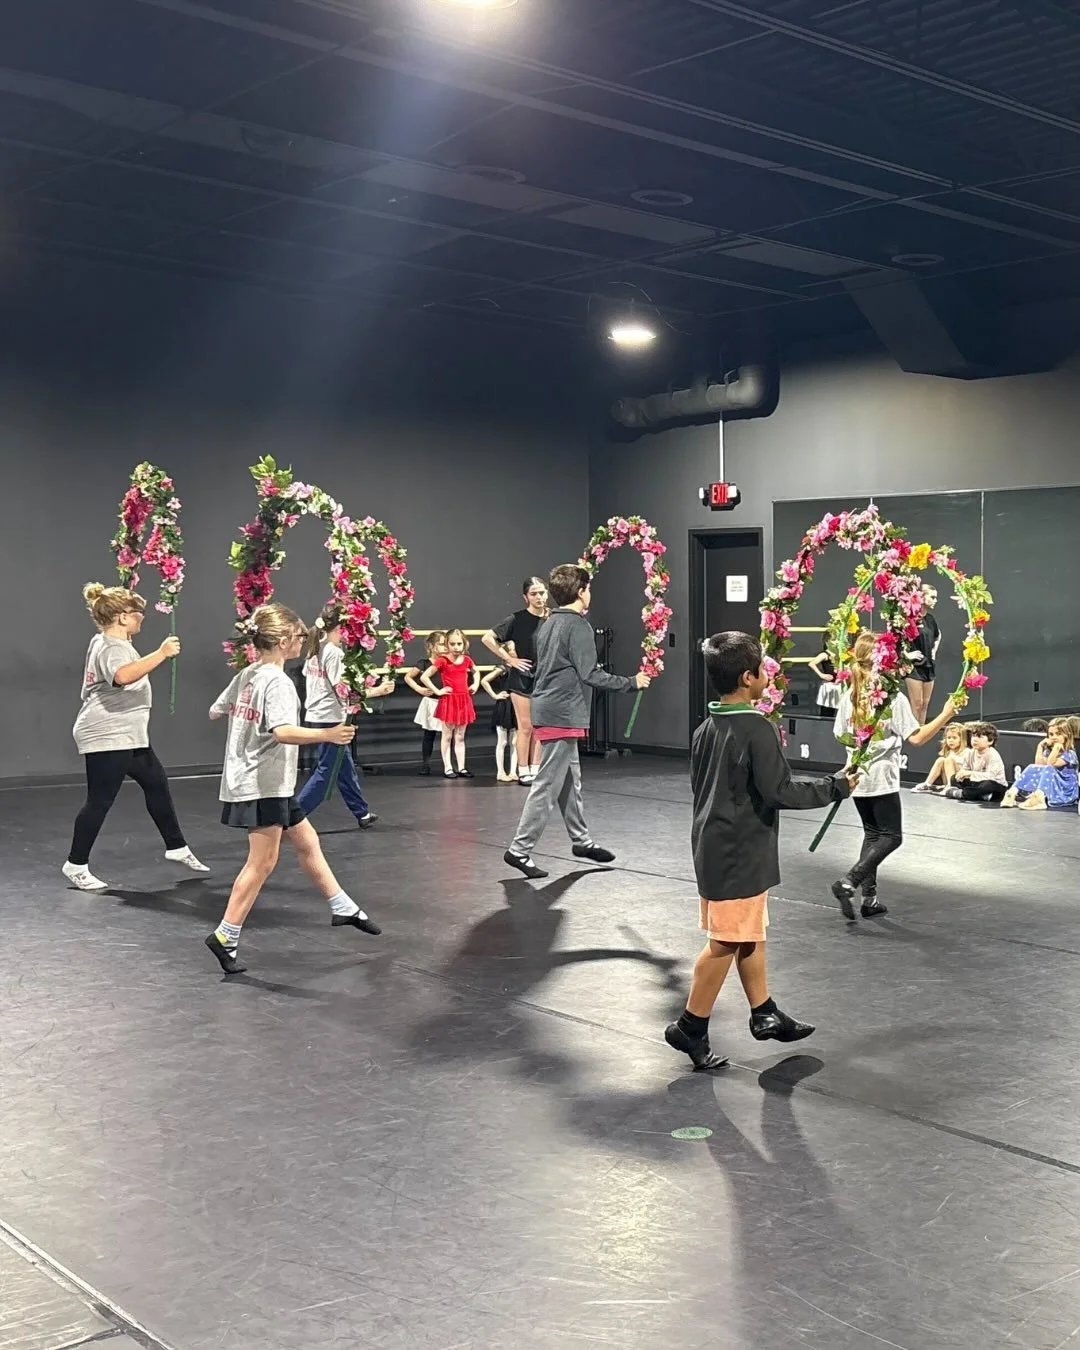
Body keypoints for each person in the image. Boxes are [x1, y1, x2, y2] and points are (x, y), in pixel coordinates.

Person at [665, 632, 857, 1070]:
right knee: (725, 942)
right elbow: (780, 790)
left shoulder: (705, 728)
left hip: (716, 842)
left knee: (748, 932)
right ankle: (690, 1026)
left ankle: (764, 1010)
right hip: (739, 849)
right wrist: (836, 786)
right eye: (763, 670)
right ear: (749, 677)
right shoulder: (757, 728)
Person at [205, 603, 380, 976]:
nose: (304, 641)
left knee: (307, 842)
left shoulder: (249, 674)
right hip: (262, 783)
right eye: (300, 636)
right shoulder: (278, 682)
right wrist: (328, 734)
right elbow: (282, 731)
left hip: (266, 780)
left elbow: (215, 710)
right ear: (284, 640)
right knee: (262, 862)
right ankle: (226, 934)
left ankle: (342, 906)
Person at [503, 563, 649, 879]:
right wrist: (631, 682)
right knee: (546, 786)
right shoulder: (578, 626)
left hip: (549, 708)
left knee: (570, 779)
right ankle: (519, 849)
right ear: (581, 591)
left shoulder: (548, 623)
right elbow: (591, 674)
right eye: (588, 588)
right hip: (561, 712)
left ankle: (581, 841)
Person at [65, 582, 207, 892]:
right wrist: (162, 653)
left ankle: (176, 846)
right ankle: (75, 864)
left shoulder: (112, 642)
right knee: (100, 801)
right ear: (121, 617)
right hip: (107, 735)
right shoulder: (111, 647)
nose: (142, 617)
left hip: (128, 736)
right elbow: (122, 676)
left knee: (156, 783)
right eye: (137, 613)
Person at [832, 630, 957, 920]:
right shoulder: (889, 698)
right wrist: (946, 714)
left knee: (873, 834)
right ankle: (850, 880)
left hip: (857, 775)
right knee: (892, 836)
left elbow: (840, 734)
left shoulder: (850, 695)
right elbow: (917, 737)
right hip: (881, 776)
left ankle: (870, 898)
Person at [294, 600, 395, 825]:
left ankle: (362, 812)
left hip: (318, 715)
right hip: (330, 719)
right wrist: (378, 690)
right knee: (326, 773)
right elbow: (343, 690)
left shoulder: (315, 647)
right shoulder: (334, 653)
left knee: (344, 768)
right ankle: (292, 817)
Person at [483, 578, 549, 785]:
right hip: (521, 678)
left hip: (544, 677)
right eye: (534, 594)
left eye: (542, 593)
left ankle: (536, 767)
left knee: (540, 725)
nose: (539, 597)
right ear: (525, 597)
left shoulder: (553, 618)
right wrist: (510, 659)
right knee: (525, 726)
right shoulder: (517, 619)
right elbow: (488, 638)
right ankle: (523, 769)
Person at [423, 628, 479, 778]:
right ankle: (448, 767)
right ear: (447, 644)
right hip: (449, 700)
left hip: (463, 699)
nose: (456, 647)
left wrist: (475, 684)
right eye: (452, 644)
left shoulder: (467, 660)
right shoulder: (443, 660)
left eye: (459, 644)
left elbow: (476, 671)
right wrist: (438, 691)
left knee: (460, 736)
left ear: (464, 644)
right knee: (447, 736)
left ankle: (461, 767)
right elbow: (425, 677)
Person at [1001, 718, 1078, 810]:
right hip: (1053, 784)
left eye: (1058, 734)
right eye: (1051, 734)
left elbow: (1050, 764)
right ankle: (1012, 792)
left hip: (1064, 789)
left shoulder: (1069, 754)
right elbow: (1038, 764)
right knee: (1032, 767)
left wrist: (1056, 749)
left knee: (1049, 768)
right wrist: (1040, 747)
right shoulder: (1050, 751)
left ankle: (1039, 798)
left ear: (1067, 735)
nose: (1054, 737)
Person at [402, 631, 447, 776]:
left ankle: (450, 764)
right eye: (441, 644)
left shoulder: (448, 662)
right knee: (429, 734)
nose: (445, 647)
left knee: (449, 735)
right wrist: (419, 689)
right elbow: (408, 677)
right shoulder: (424, 663)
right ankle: (425, 764)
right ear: (432, 646)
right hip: (432, 702)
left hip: (446, 701)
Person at [944, 722, 1008, 803]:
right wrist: (961, 775)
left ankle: (965, 794)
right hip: (976, 782)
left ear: (990, 741)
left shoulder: (993, 755)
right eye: (973, 736)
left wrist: (970, 773)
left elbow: (991, 776)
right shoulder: (970, 753)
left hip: (995, 784)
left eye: (980, 737)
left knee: (987, 785)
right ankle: (980, 796)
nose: (975, 739)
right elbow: (965, 769)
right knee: (954, 778)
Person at [905, 584, 941, 724]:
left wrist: (933, 652)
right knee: (917, 704)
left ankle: (921, 729)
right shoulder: (909, 618)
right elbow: (894, 639)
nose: (935, 600)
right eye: (932, 597)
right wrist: (907, 655)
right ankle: (914, 733)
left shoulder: (930, 619)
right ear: (922, 596)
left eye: (935, 597)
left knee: (925, 705)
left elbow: (938, 636)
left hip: (928, 664)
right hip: (914, 666)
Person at [481, 662, 518, 782]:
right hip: (504, 705)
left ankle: (513, 771)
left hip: (516, 705)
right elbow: (484, 681)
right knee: (502, 741)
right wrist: (495, 695)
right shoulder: (503, 668)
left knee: (515, 742)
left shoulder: (520, 668)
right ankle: (500, 772)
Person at [913, 722, 968, 793]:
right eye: (949, 738)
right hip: (948, 779)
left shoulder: (967, 752)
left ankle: (951, 786)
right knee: (941, 759)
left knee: (948, 760)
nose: (951, 740)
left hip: (961, 781)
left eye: (954, 738)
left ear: (962, 739)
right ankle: (927, 784)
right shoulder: (949, 752)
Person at [807, 637, 841, 718]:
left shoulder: (840, 653)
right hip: (829, 686)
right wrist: (822, 675)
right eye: (833, 640)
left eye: (837, 639)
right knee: (827, 711)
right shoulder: (825, 654)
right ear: (826, 642)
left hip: (839, 685)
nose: (836, 642)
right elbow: (812, 663)